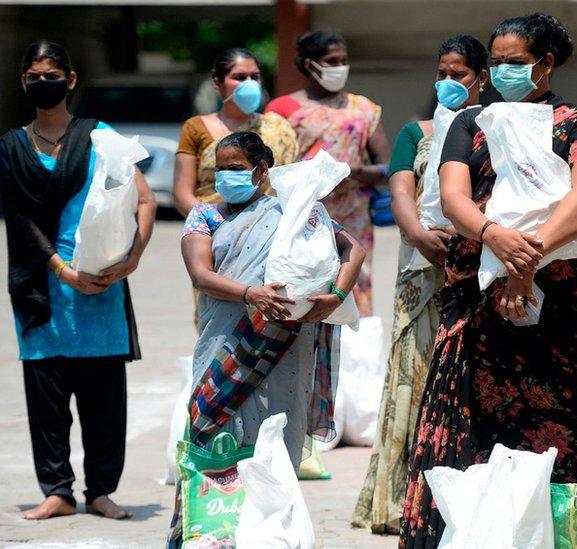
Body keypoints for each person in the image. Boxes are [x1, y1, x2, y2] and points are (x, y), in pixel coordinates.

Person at [399, 13, 577, 547]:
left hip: (555, 300)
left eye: (515, 62)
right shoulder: (469, 123)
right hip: (476, 296)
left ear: (546, 64)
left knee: (551, 429)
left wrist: (527, 256)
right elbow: (454, 197)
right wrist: (494, 236)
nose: (502, 71)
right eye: (496, 61)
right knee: (465, 425)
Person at [168, 131, 365, 545]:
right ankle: (206, 535)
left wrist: (337, 295)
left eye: (236, 169)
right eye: (219, 169)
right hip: (224, 346)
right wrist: (249, 293)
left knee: (272, 447)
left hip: (284, 347)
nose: (225, 177)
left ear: (261, 171)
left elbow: (353, 251)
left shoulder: (293, 213)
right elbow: (201, 276)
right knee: (211, 432)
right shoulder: (205, 216)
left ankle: (271, 536)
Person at [0, 41, 155, 520]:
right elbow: (19, 217)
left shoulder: (100, 137)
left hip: (102, 287)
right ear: (23, 81)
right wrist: (62, 268)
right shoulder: (12, 146)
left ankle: (102, 490)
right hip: (41, 288)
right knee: (46, 399)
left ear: (70, 79)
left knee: (104, 400)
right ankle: (58, 492)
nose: (42, 82)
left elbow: (144, 200)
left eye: (52, 74)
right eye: (33, 75)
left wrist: (131, 258)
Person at [352, 34, 488, 534]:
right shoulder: (417, 131)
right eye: (442, 72)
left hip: (477, 270)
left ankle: (462, 498)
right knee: (413, 375)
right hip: (421, 268)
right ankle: (396, 503)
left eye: (459, 73)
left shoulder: (491, 129)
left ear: (482, 77)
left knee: (468, 377)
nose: (448, 82)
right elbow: (401, 188)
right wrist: (416, 233)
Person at [266, 29, 392, 315]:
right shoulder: (282, 110)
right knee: (302, 281)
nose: (339, 67)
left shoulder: (364, 109)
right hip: (301, 213)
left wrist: (354, 171)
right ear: (309, 64)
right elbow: (272, 167)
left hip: (353, 215)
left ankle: (355, 356)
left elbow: (386, 166)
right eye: (331, 61)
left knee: (354, 283)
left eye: (343, 60)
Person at [172, 47, 298, 218]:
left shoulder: (278, 127)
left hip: (269, 229)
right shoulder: (195, 127)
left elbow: (292, 186)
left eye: (254, 77)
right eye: (239, 77)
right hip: (212, 232)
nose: (250, 83)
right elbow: (182, 195)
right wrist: (217, 226)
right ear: (218, 83)